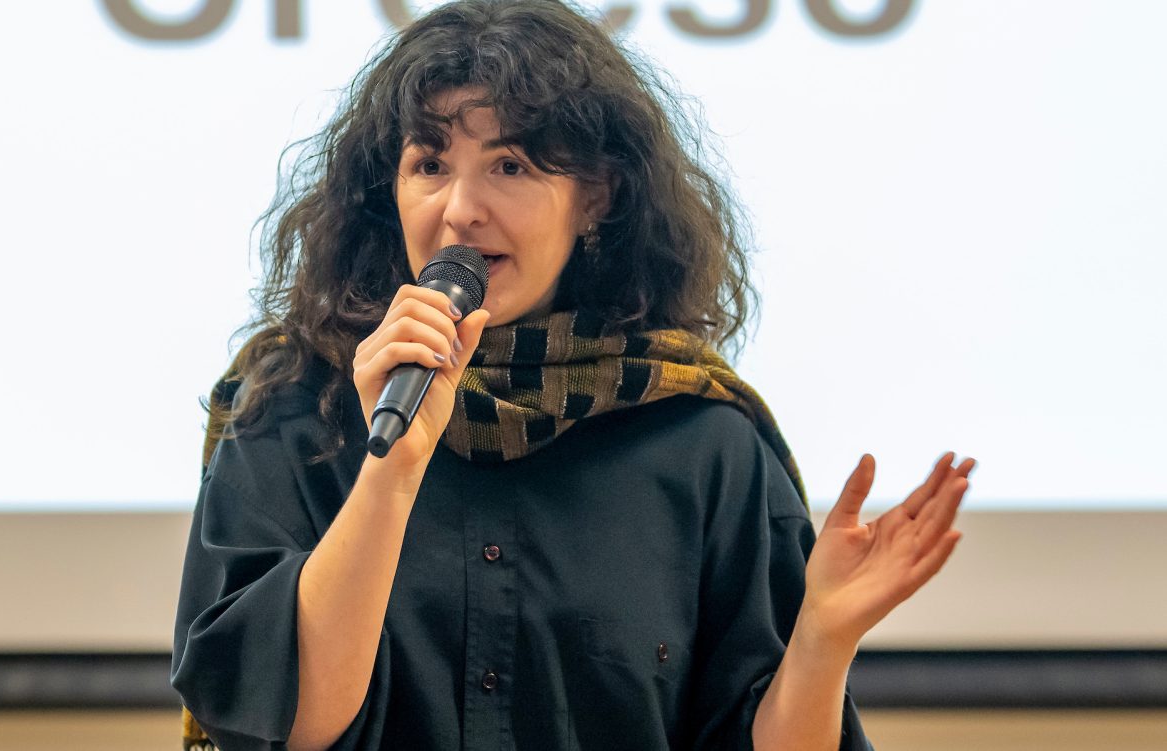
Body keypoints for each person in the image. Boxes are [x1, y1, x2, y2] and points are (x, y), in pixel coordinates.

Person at [171, 1, 975, 749]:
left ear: (595, 197)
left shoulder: (697, 436)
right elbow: (289, 724)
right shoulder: (291, 408)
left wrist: (823, 644)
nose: (459, 208)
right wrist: (392, 470)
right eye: (428, 164)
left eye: (511, 166)